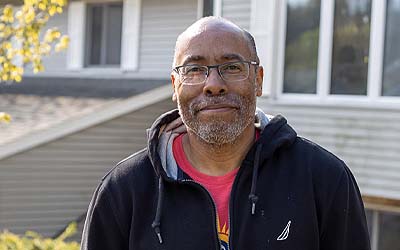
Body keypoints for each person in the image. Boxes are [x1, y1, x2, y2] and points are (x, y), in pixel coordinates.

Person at [81, 16, 371, 250]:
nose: (213, 84)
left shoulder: (323, 179)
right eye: (194, 69)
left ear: (258, 80)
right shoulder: (124, 191)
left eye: (232, 67)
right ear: (174, 86)